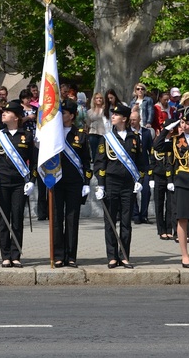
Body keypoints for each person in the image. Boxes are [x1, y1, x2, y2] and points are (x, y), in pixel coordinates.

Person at [153, 106, 189, 269]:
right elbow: (157, 146)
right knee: (182, 219)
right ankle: (184, 255)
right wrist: (166, 129)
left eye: (188, 122)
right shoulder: (175, 140)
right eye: (183, 122)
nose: (184, 125)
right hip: (181, 183)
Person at [94, 103, 145, 269]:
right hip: (111, 183)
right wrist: (100, 185)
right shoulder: (107, 138)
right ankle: (112, 256)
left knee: (125, 221)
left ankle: (124, 255)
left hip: (128, 184)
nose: (113, 117)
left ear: (124, 118)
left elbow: (142, 163)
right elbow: (100, 163)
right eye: (112, 115)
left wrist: (140, 181)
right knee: (110, 221)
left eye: (116, 115)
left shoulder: (134, 138)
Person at [0, 101, 36, 268]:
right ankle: (5, 255)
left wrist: (32, 181)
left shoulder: (27, 135)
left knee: (16, 218)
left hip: (19, 184)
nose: (4, 114)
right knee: (3, 220)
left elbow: (34, 161)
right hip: (2, 182)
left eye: (7, 112)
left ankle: (16, 254)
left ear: (16, 117)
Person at [52, 100, 92, 268]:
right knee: (56, 218)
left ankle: (71, 256)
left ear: (72, 116)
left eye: (64, 113)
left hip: (74, 182)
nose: (61, 116)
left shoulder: (81, 135)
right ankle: (58, 255)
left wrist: (86, 182)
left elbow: (86, 160)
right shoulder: (53, 134)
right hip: (56, 181)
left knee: (72, 218)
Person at [130, 111, 153, 224]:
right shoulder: (128, 133)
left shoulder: (147, 133)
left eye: (134, 120)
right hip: (133, 168)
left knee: (146, 191)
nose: (132, 122)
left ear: (139, 119)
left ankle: (144, 215)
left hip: (145, 167)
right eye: (131, 120)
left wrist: (151, 166)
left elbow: (151, 150)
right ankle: (135, 215)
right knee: (132, 192)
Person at [86, 91, 106, 161]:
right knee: (94, 151)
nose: (99, 99)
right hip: (93, 133)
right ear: (94, 100)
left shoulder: (105, 110)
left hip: (103, 134)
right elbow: (88, 123)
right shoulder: (89, 111)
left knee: (102, 151)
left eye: (100, 98)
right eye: (97, 98)